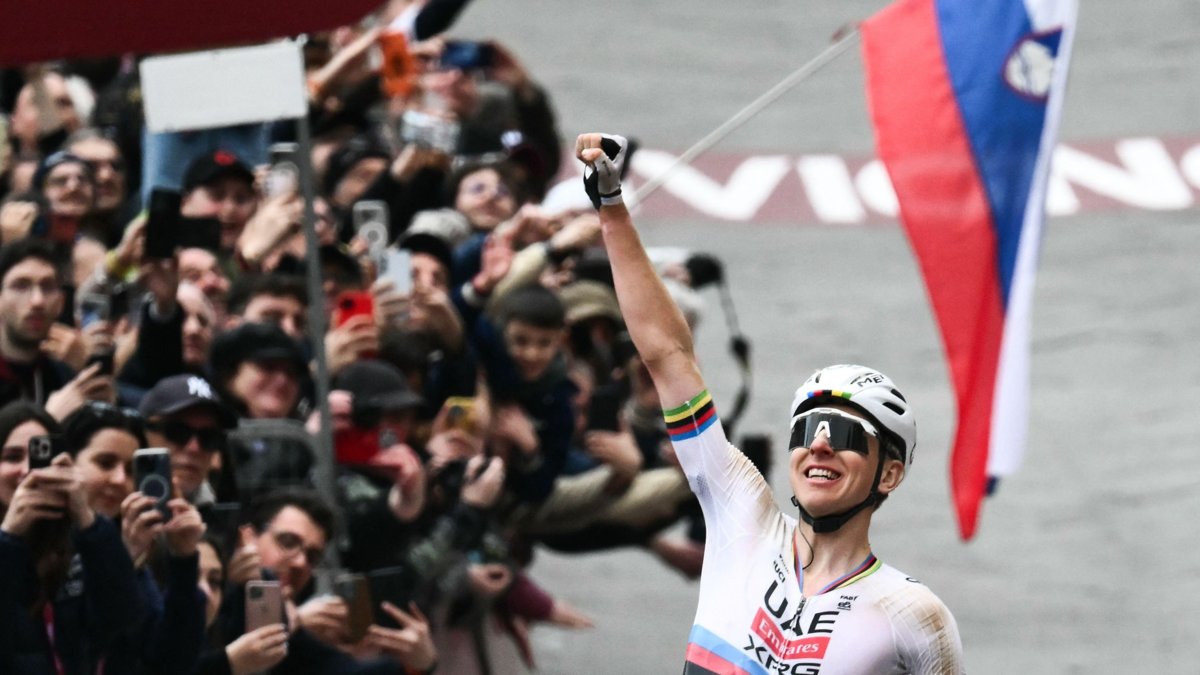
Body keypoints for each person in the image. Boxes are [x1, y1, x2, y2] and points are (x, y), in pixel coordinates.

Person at [576, 132, 965, 674]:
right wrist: (613, 210)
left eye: (846, 434)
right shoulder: (742, 515)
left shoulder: (914, 616)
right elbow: (666, 354)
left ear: (890, 473)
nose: (821, 443)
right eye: (808, 430)